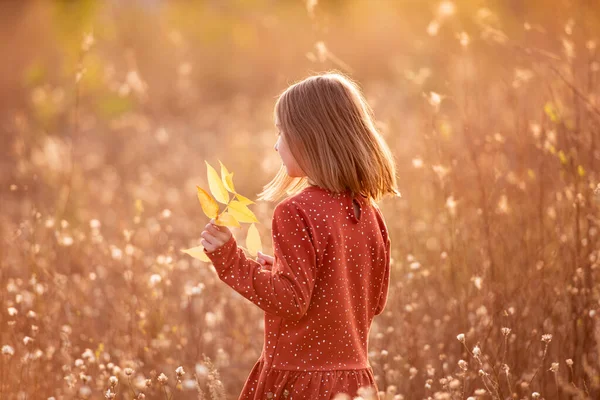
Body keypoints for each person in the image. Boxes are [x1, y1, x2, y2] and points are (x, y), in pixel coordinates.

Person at [201, 72, 399, 400]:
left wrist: (230, 260)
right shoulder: (370, 214)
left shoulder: (296, 211)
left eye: (281, 132)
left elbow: (291, 301)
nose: (276, 144)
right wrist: (280, 270)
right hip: (354, 385)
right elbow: (373, 301)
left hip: (299, 383)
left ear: (309, 138)